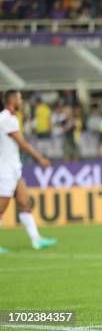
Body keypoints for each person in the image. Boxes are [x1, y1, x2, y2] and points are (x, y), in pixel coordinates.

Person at [0, 90, 55, 252]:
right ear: (13, 100)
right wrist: (41, 159)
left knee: (25, 204)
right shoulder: (7, 118)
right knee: (1, 209)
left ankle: (36, 240)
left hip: (13, 168)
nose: (22, 101)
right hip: (5, 170)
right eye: (20, 98)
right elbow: (22, 144)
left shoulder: (8, 117)